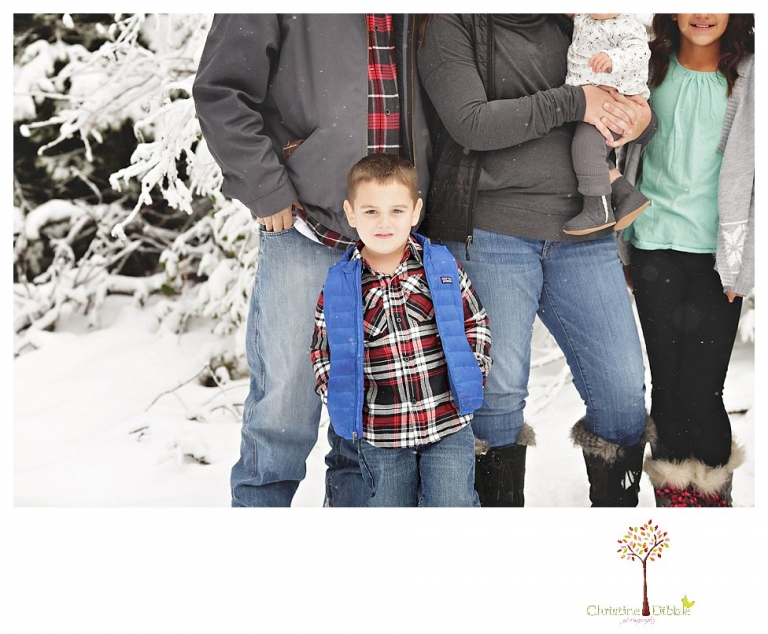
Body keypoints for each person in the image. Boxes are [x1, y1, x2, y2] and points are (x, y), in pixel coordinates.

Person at [416, 14, 656, 507]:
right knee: (497, 399)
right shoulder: (451, 21)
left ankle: (619, 551)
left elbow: (623, 98)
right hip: (490, 230)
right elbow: (471, 123)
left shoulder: (580, 17)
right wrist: (574, 101)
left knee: (622, 392)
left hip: (584, 229)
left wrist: (640, 119)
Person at [192, 15, 432, 507]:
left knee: (366, 423)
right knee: (284, 408)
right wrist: (265, 187)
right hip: (307, 220)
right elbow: (221, 91)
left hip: (391, 234)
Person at [619, 13, 754, 507]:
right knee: (668, 387)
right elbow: (624, 155)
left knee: (703, 390)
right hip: (653, 247)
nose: (702, 12)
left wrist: (742, 263)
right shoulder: (649, 67)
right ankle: (676, 499)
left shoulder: (751, 75)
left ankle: (713, 500)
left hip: (717, 259)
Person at [310, 154, 491, 506]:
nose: (384, 223)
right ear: (350, 213)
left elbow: (475, 321)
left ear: (415, 211)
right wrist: (341, 399)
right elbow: (323, 351)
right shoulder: (341, 286)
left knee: (452, 503)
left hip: (447, 421)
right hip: (381, 431)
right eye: (370, 211)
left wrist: (475, 371)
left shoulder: (439, 267)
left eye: (396, 210)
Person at [563, 13, 652, 236]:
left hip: (614, 101)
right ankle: (626, 196)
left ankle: (598, 209)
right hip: (589, 100)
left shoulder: (626, 23)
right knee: (590, 153)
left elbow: (639, 52)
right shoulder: (584, 16)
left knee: (586, 148)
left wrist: (613, 59)